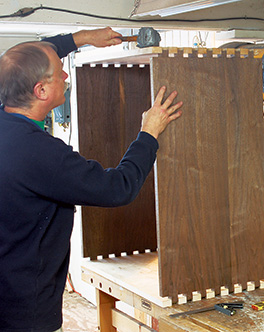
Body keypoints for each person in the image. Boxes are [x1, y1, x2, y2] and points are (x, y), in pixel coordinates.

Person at [0, 27, 183, 332]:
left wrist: (82, 39)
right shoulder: (41, 154)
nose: (67, 78)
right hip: (24, 314)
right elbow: (118, 188)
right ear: (41, 91)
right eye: (60, 75)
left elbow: (28, 54)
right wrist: (149, 133)